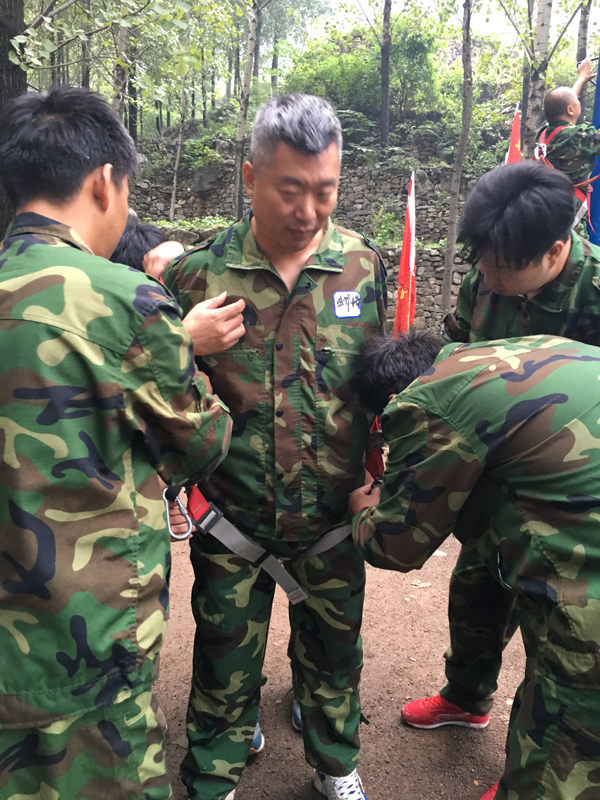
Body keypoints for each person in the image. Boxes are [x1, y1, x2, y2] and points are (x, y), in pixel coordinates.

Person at [149, 93, 388, 800]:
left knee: (335, 655)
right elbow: (157, 388)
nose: (309, 211)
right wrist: (179, 344)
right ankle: (213, 776)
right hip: (232, 518)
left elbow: (378, 381)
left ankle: (335, 763)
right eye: (290, 189)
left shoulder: (360, 266)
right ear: (250, 178)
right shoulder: (196, 276)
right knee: (223, 661)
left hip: (333, 517)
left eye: (325, 190)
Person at [0, 87, 232, 799]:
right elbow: (203, 443)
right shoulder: (126, 302)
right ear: (106, 182)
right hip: (86, 642)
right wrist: (182, 345)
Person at [401, 162, 600, 796]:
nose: (488, 280)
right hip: (495, 483)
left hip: (571, 501)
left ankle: (528, 775)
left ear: (557, 251)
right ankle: (466, 696)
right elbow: (459, 358)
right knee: (476, 591)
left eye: (502, 270)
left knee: (557, 642)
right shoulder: (484, 278)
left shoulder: (595, 290)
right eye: (482, 266)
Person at [349, 329, 600, 800]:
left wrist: (362, 512)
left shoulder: (429, 401)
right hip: (569, 502)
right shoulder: (500, 353)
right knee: (480, 576)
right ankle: (467, 698)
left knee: (563, 731)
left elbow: (396, 546)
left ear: (392, 398)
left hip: (588, 571)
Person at [535, 57, 600, 187]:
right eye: (577, 101)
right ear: (570, 110)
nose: (578, 101)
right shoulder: (579, 137)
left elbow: (562, 102)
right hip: (570, 199)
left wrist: (581, 79)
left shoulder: (543, 132)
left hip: (547, 194)